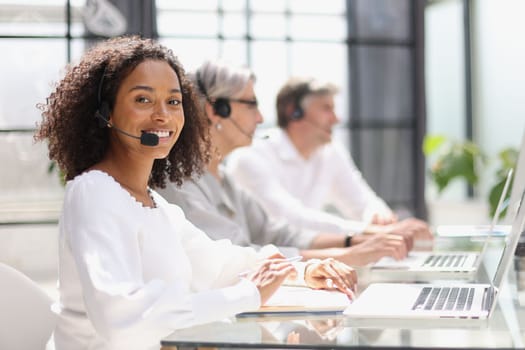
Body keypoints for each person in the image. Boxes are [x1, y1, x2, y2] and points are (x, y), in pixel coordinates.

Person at [34, 36, 355, 350]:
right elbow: (124, 322)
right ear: (106, 113)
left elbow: (217, 264)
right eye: (143, 100)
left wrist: (298, 270)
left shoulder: (152, 203)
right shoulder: (95, 192)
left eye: (173, 101)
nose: (163, 115)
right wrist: (247, 293)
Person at [158, 60, 412, 267]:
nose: (260, 118)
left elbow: (277, 233)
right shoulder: (180, 184)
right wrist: (343, 256)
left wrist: (352, 241)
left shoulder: (224, 180)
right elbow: (240, 257)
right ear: (217, 110)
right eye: (251, 105)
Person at [226, 76, 432, 242]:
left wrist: (379, 217)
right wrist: (369, 232)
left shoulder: (330, 152)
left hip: (311, 259)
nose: (336, 119)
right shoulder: (249, 157)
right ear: (294, 112)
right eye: (326, 108)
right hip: (264, 268)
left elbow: (360, 199)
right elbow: (290, 218)